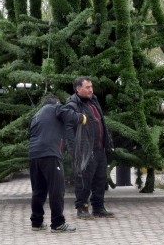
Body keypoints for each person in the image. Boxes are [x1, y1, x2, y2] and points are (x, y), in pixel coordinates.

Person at [29, 94, 86, 233]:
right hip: (50, 154)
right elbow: (69, 114)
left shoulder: (36, 116)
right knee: (57, 190)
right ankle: (58, 223)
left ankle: (36, 222)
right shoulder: (55, 108)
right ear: (56, 102)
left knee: (38, 190)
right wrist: (82, 118)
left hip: (34, 155)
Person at [63, 76, 115, 220]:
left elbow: (101, 122)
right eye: (87, 87)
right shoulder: (72, 104)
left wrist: (108, 142)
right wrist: (75, 151)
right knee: (84, 181)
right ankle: (82, 208)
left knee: (100, 179)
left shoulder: (94, 100)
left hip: (99, 148)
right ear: (78, 89)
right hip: (85, 151)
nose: (91, 89)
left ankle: (98, 208)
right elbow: (68, 129)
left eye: (91, 86)